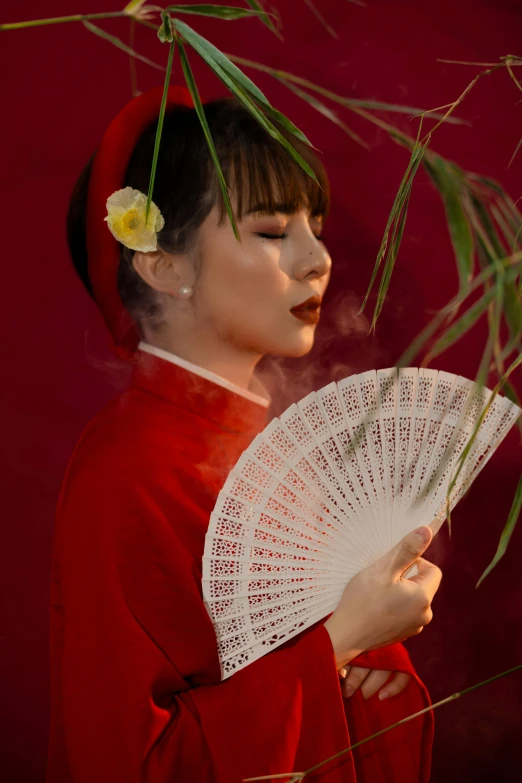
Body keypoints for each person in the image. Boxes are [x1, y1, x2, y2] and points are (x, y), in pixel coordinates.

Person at [46, 85, 442, 783]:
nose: (317, 256)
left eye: (313, 225)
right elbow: (130, 763)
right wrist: (343, 639)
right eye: (270, 231)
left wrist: (377, 633)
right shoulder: (126, 469)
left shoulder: (271, 444)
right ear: (162, 265)